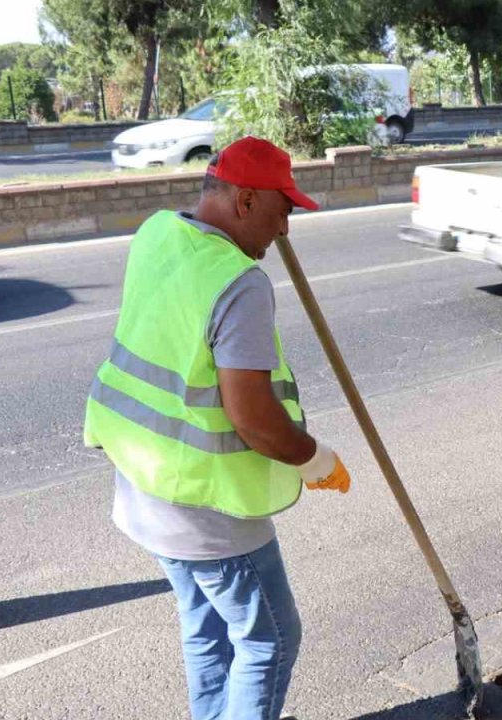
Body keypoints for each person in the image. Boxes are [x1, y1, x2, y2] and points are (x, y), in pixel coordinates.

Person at [83, 136, 351, 720]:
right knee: (269, 640)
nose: (285, 233)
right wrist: (315, 459)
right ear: (248, 202)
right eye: (283, 213)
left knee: (206, 627)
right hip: (205, 509)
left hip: (142, 486)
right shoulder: (239, 283)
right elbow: (253, 416)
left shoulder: (158, 233)